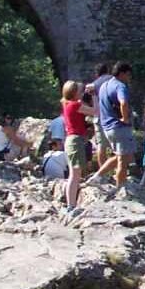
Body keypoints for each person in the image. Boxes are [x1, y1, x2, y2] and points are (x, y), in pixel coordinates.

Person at [94, 62, 137, 186]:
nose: (129, 78)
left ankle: (98, 175)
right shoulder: (120, 86)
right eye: (128, 75)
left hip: (107, 127)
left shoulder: (104, 86)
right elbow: (123, 102)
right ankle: (120, 188)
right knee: (123, 161)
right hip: (119, 127)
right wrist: (125, 118)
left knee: (124, 156)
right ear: (122, 73)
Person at [60, 80, 88, 209]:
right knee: (75, 174)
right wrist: (93, 95)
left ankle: (71, 204)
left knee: (75, 173)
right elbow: (96, 111)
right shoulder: (75, 105)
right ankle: (71, 205)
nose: (82, 93)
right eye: (79, 91)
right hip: (75, 140)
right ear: (74, 92)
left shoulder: (67, 104)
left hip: (71, 140)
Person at [84, 62, 113, 168]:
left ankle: (103, 173)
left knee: (101, 146)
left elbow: (85, 100)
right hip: (113, 117)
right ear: (108, 70)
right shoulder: (113, 81)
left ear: (97, 73)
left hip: (99, 116)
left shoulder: (92, 85)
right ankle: (119, 170)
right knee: (118, 146)